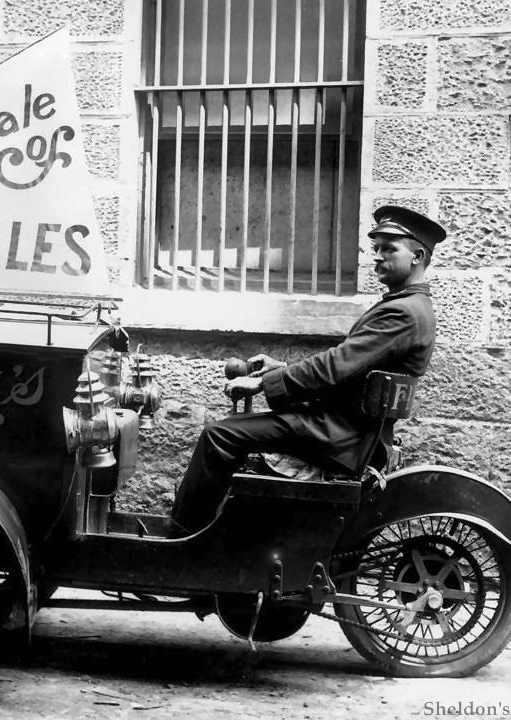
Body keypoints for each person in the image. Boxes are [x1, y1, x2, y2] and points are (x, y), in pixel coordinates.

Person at [170, 205, 446, 535]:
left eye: (389, 249)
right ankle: (220, 534)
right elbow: (350, 369)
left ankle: (181, 541)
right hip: (342, 428)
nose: (377, 257)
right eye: (376, 248)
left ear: (417, 255)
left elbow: (334, 367)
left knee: (219, 435)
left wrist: (262, 385)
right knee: (231, 432)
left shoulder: (404, 312)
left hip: (338, 435)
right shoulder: (408, 306)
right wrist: (281, 369)